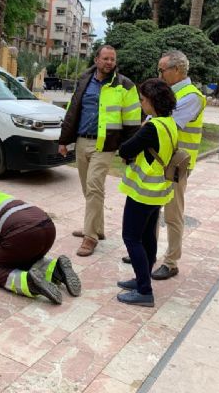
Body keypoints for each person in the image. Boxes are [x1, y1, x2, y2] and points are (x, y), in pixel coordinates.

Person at [58, 45, 141, 257]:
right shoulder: (85, 81)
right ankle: (97, 228)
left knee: (94, 187)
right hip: (82, 141)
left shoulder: (125, 85)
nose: (109, 62)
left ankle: (90, 237)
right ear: (96, 60)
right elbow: (72, 110)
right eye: (105, 58)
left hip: (105, 145)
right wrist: (64, 140)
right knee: (89, 189)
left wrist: (128, 151)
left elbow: (133, 121)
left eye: (112, 59)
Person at [0, 191, 81, 304]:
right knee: (23, 258)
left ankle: (30, 283)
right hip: (47, 227)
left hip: (23, 234)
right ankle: (57, 269)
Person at [116, 78, 178, 307]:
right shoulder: (169, 123)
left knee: (131, 237)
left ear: (152, 101)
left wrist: (141, 128)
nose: (141, 103)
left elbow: (125, 149)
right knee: (147, 237)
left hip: (143, 191)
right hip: (159, 190)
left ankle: (144, 290)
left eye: (143, 99)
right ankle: (142, 278)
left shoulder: (152, 127)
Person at [151, 50, 206, 280]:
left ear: (177, 70)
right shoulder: (167, 93)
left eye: (162, 70)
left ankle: (171, 262)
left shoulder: (191, 96)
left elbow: (169, 126)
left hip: (177, 164)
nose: (159, 74)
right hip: (159, 159)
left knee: (173, 213)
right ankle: (147, 251)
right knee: (151, 208)